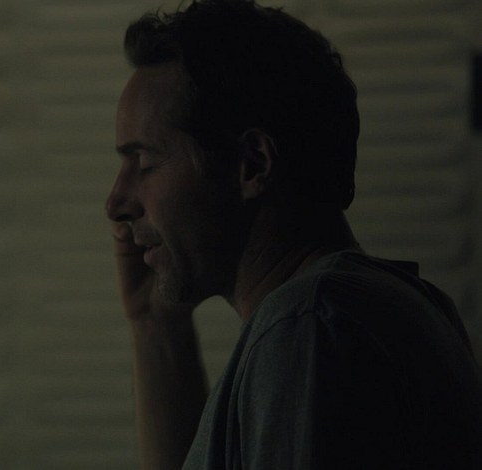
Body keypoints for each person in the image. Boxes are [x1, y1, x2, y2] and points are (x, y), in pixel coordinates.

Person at [104, 1, 482, 469]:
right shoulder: (365, 310)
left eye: (144, 162)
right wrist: (155, 324)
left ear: (253, 165)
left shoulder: (309, 329)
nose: (116, 203)